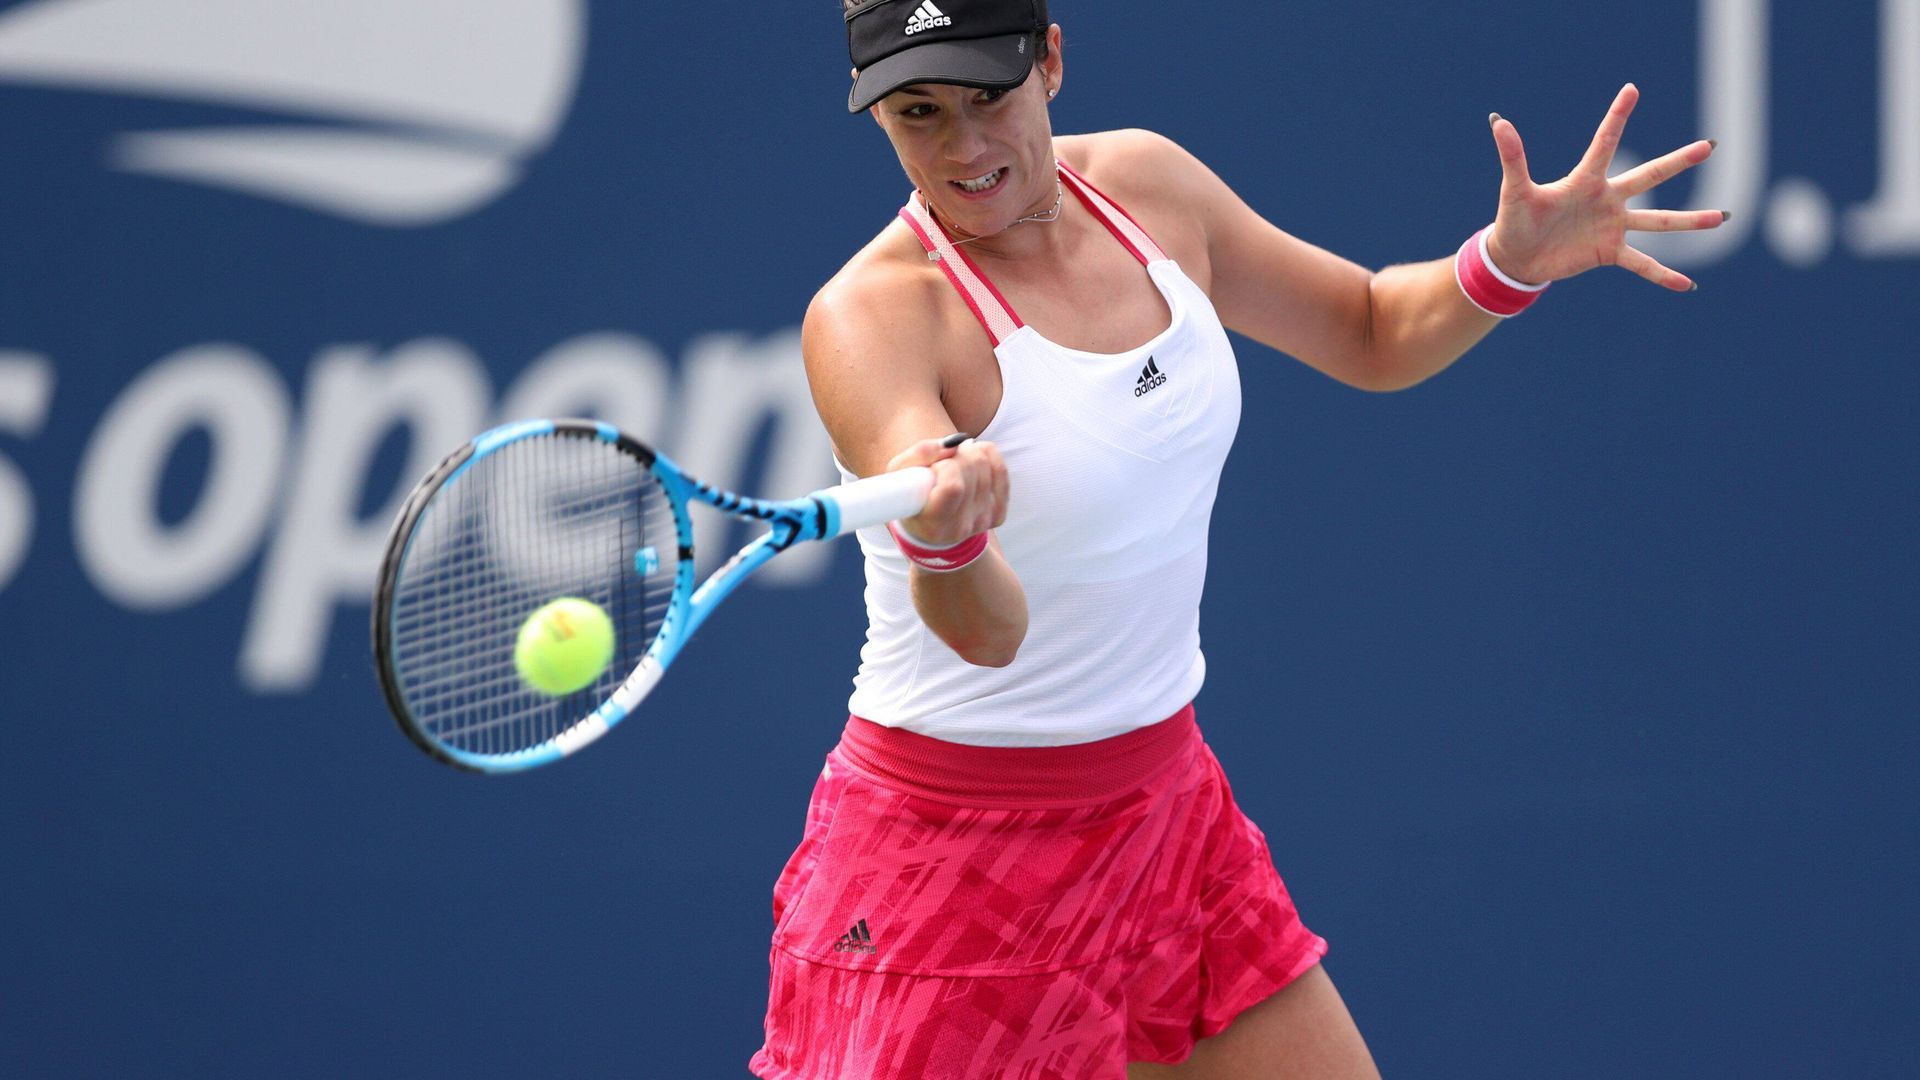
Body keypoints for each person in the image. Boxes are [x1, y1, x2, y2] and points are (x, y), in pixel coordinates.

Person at [750, 1, 1722, 1076]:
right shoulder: (871, 317)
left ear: (1052, 61)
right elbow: (987, 635)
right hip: (955, 865)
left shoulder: (1149, 186)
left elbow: (1365, 325)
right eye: (919, 112)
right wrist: (950, 538)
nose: (966, 146)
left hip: (1166, 812)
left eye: (990, 95)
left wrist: (1505, 263)